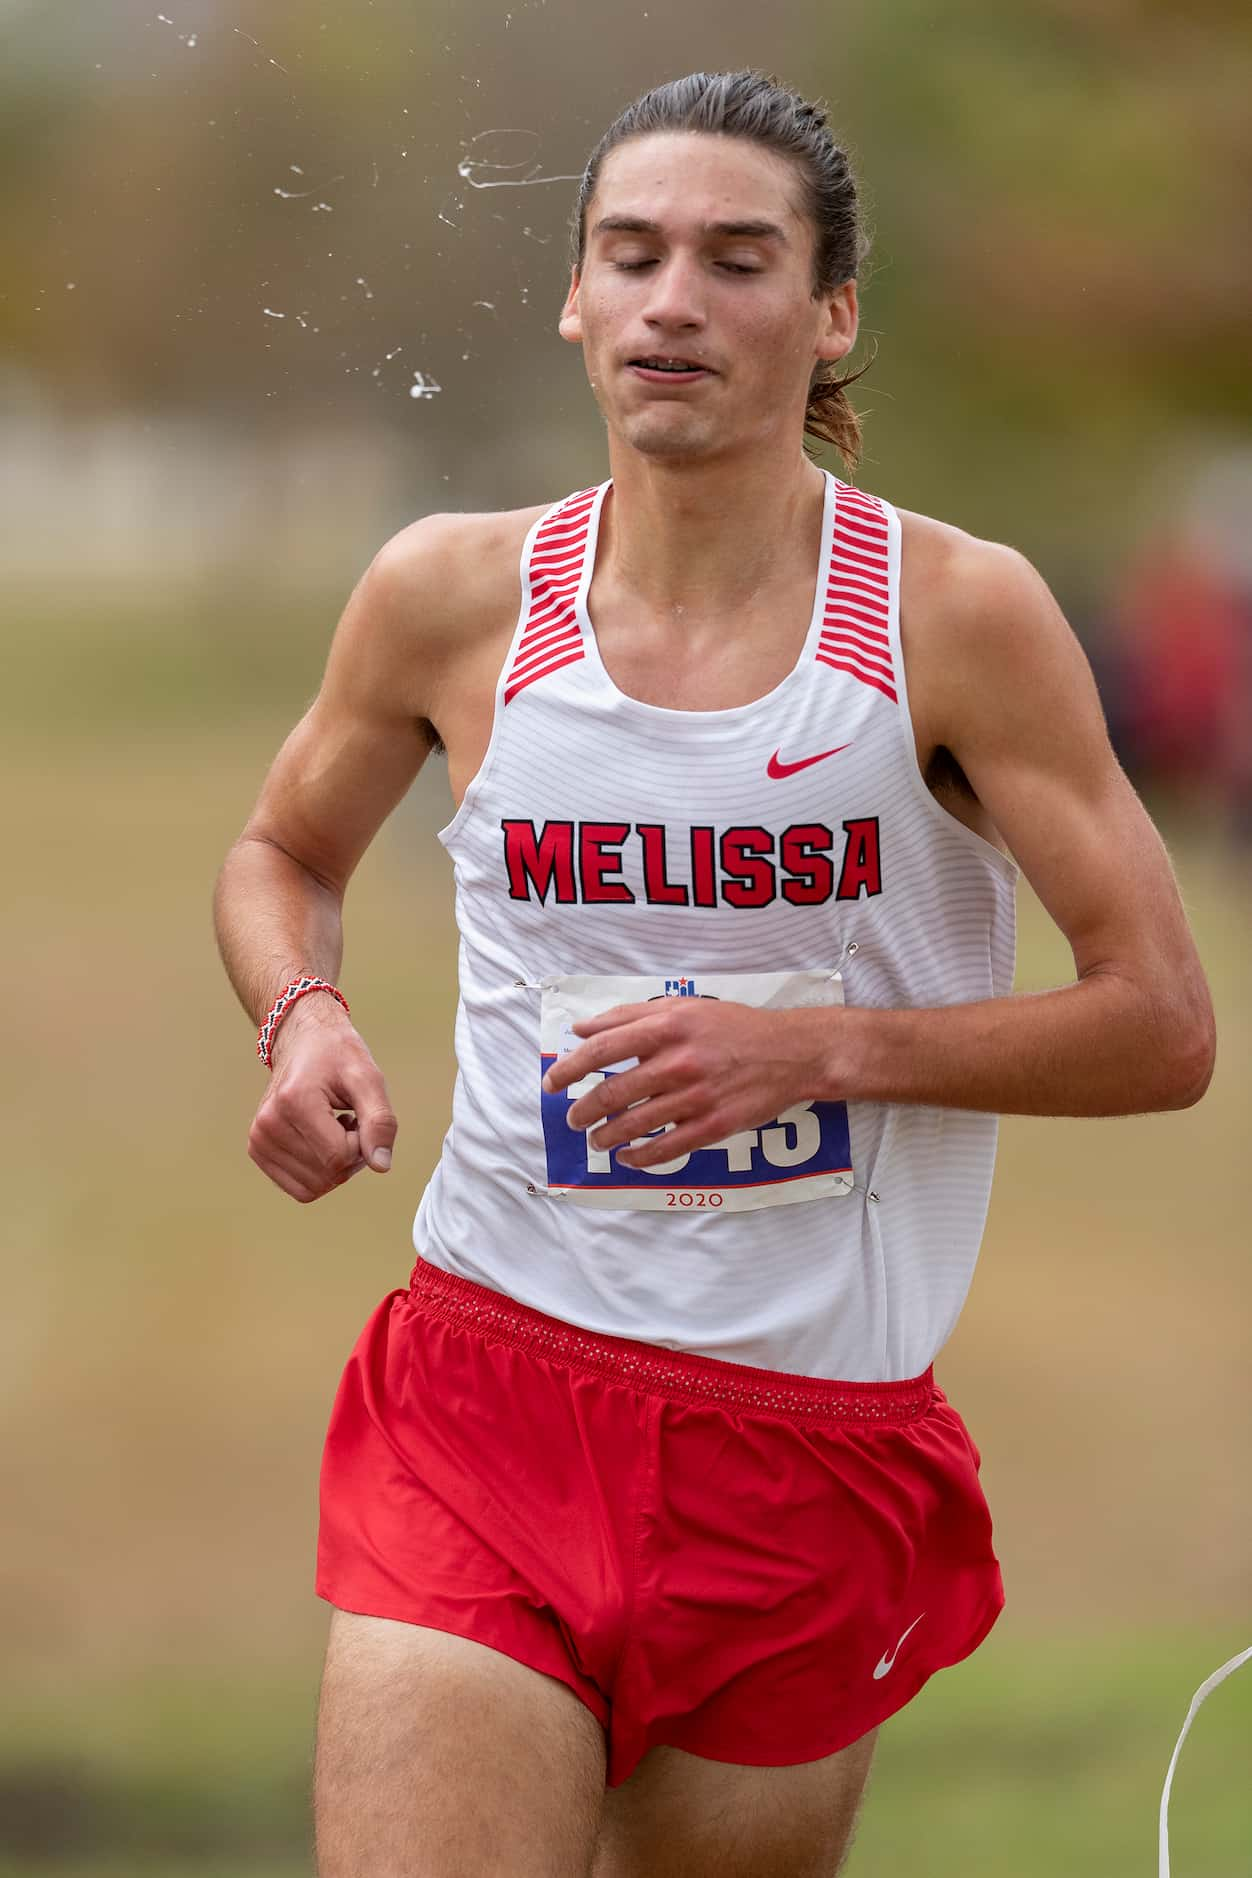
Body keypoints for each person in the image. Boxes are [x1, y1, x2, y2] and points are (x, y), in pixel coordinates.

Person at [213, 69, 1216, 1878]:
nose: (676, 299)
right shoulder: (453, 592)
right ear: (576, 294)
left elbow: (1162, 1022)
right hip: (490, 1392)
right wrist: (305, 1013)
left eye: (738, 260)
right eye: (634, 253)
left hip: (807, 1452)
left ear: (831, 314)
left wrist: (820, 1049)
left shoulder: (950, 613)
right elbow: (281, 853)